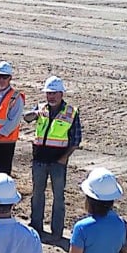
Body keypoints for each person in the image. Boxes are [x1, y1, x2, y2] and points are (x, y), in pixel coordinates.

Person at [24, 75, 81, 240]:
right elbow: (26, 118)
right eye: (49, 93)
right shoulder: (41, 108)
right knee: (37, 194)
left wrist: (65, 158)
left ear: (62, 94)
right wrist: (34, 113)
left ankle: (57, 232)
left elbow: (76, 140)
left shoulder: (71, 112)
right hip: (40, 160)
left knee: (58, 197)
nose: (51, 96)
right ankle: (36, 226)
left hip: (58, 162)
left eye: (54, 93)